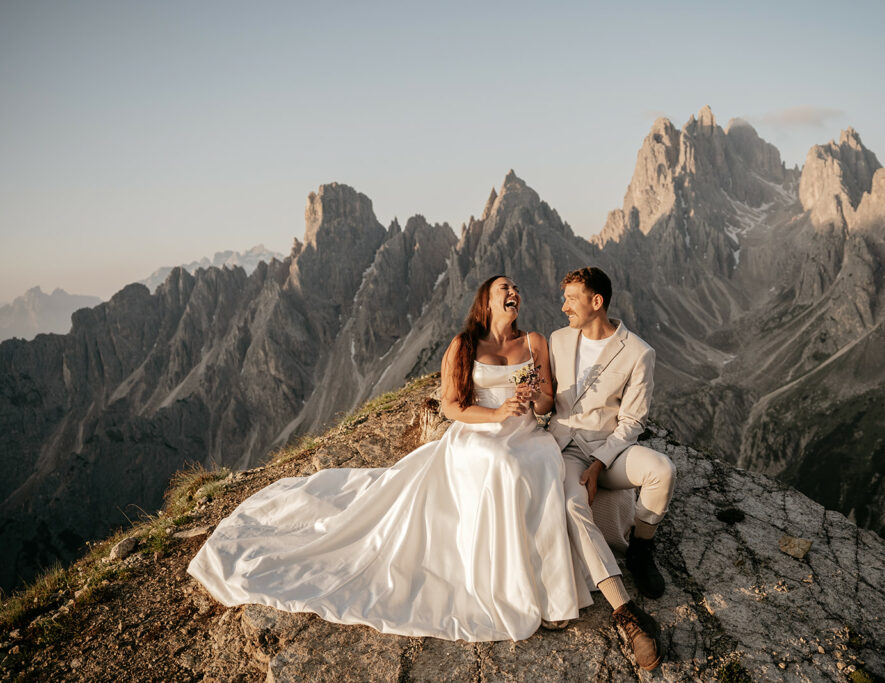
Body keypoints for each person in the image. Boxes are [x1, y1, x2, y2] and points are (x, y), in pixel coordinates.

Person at [188, 275, 591, 642]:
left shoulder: (534, 341)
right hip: (477, 432)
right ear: (485, 301)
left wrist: (530, 398)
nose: (514, 291)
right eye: (505, 288)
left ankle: (553, 593)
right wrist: (496, 412)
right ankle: (510, 588)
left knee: (543, 459)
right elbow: (451, 407)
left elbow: (546, 400)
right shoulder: (464, 345)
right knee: (504, 465)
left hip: (524, 432)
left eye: (517, 287)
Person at [547, 266, 676, 671]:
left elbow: (633, 421)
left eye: (571, 298)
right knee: (572, 506)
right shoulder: (557, 339)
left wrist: (601, 464)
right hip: (566, 448)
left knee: (662, 470)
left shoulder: (638, 352)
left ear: (595, 302)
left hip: (611, 449)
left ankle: (640, 549)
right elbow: (549, 403)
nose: (563, 305)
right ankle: (627, 614)